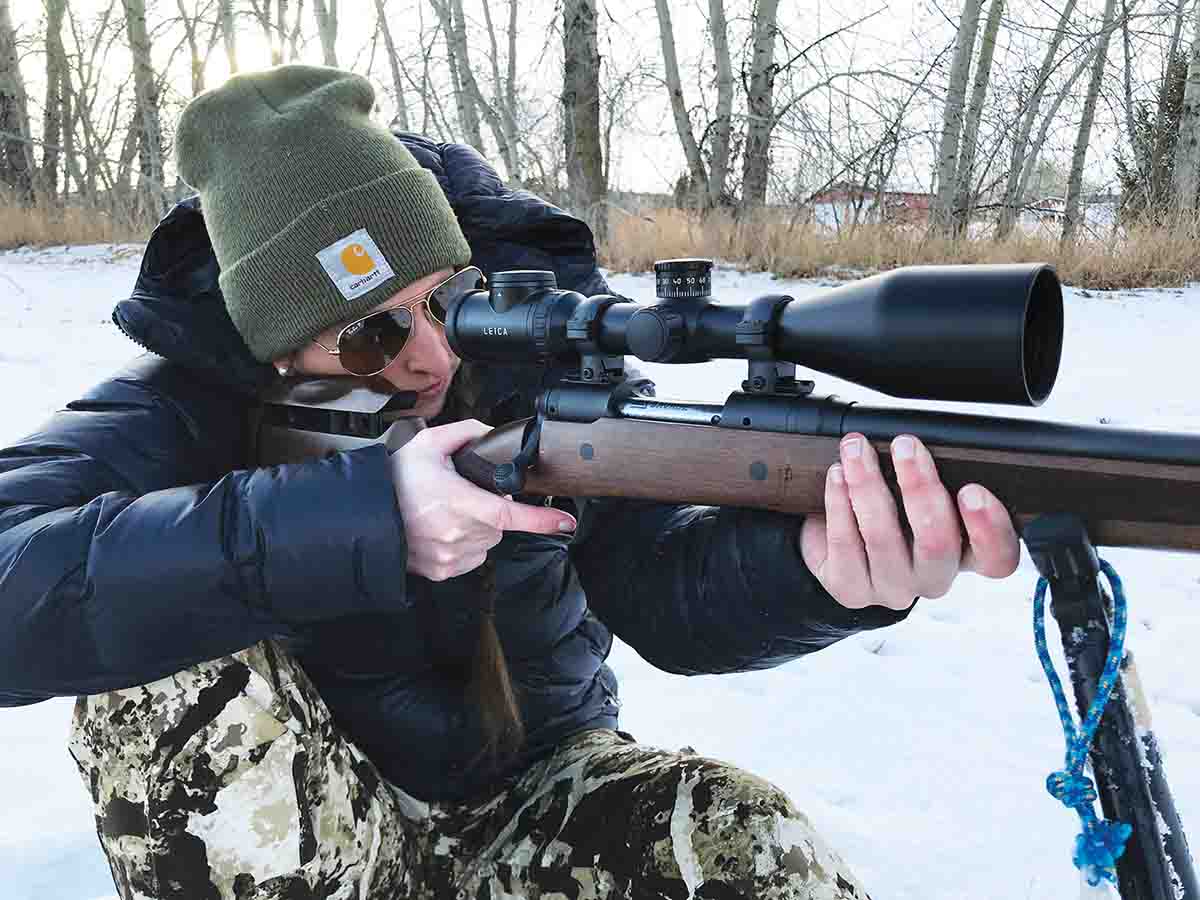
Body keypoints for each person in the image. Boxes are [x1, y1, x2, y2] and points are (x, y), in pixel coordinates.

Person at [0, 66, 1020, 900]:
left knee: (736, 832)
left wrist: (820, 572)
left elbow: (659, 586)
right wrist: (360, 520)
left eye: (449, 299)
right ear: (269, 351)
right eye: (370, 334)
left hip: (540, 793)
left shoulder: (542, 364)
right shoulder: (175, 410)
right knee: (152, 634)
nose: (434, 358)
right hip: (311, 842)